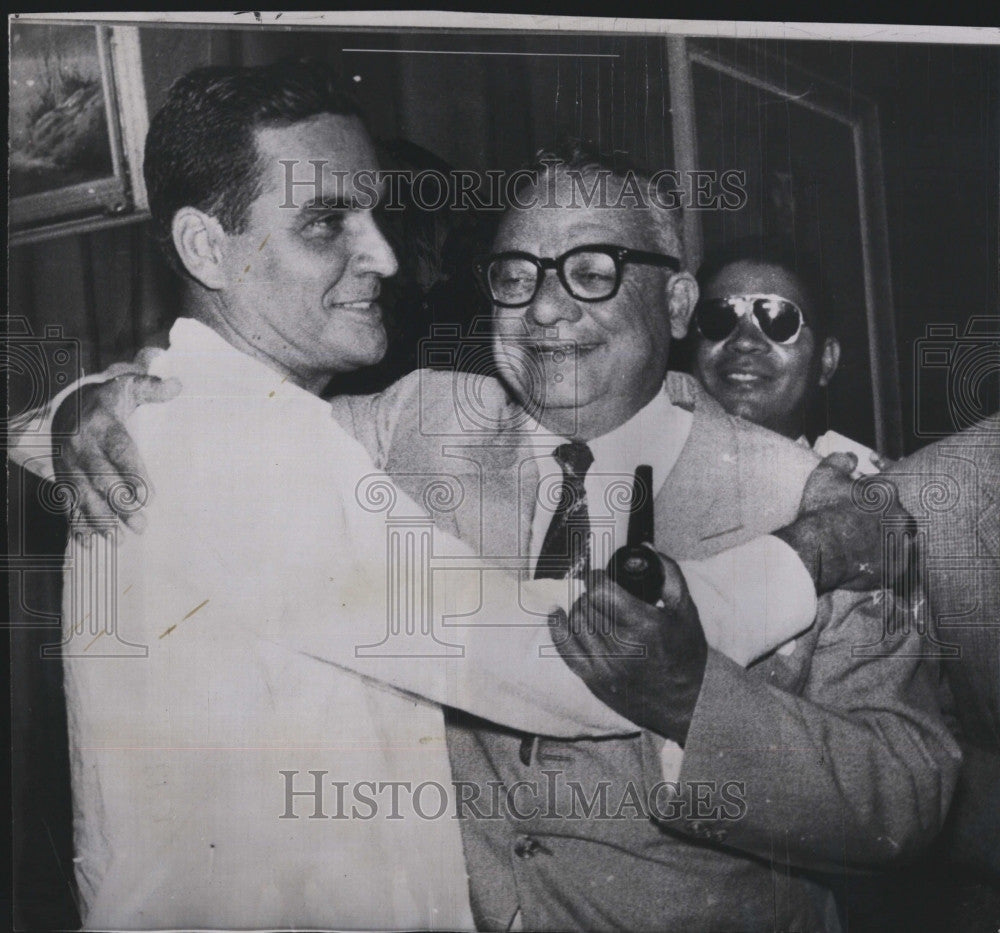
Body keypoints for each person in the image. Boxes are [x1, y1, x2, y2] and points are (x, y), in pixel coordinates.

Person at [8, 65, 896, 930]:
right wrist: (811, 555)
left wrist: (61, 414)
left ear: (671, 300)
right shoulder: (223, 449)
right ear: (206, 247)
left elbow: (900, 787)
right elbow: (555, 660)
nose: (385, 256)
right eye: (326, 222)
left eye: (376, 214)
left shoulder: (247, 428)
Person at [691, 239, 882, 472]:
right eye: (719, 318)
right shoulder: (647, 482)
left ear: (826, 360)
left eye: (779, 321)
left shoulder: (867, 497)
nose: (744, 341)